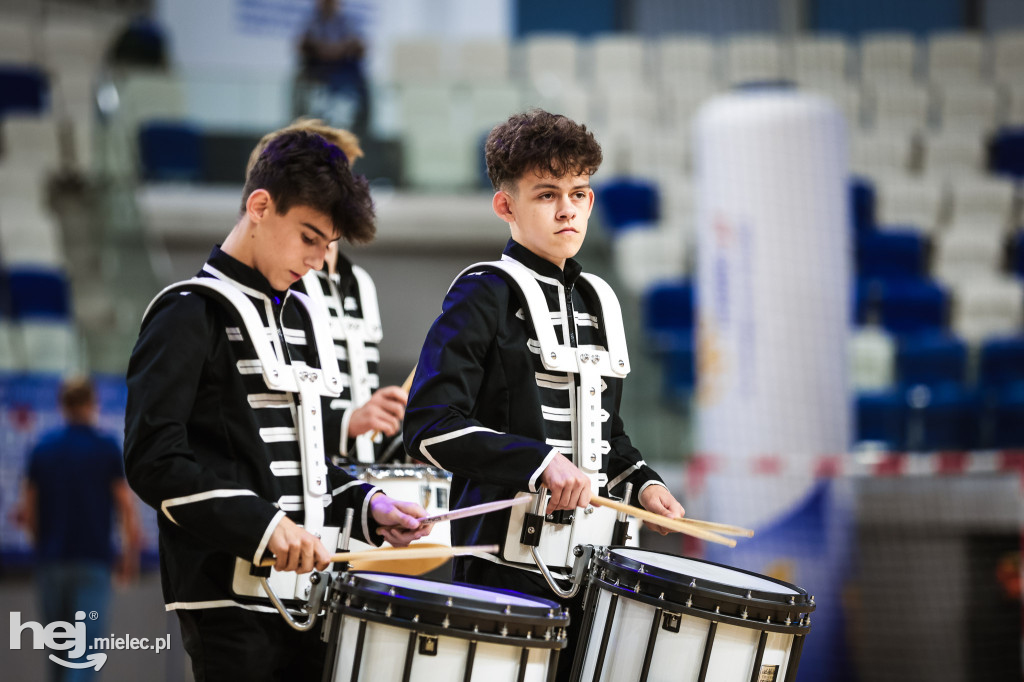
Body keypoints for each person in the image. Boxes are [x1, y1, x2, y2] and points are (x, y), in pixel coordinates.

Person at [124, 128, 430, 681]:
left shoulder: (300, 320)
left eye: (326, 244)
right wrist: (262, 526)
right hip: (227, 599)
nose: (317, 261)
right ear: (259, 206)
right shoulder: (187, 312)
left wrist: (370, 506)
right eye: (308, 237)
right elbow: (153, 460)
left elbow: (307, 466)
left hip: (310, 597)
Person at [403, 108, 687, 675]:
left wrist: (644, 483)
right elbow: (429, 426)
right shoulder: (481, 294)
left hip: (598, 565)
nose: (568, 210)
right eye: (547, 194)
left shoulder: (602, 300)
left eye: (580, 194)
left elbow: (608, 437)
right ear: (506, 205)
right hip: (502, 566)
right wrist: (539, 464)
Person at [247, 119, 407, 465]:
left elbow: (365, 397)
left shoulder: (361, 283)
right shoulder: (281, 280)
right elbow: (268, 417)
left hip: (362, 482)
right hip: (306, 478)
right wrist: (348, 423)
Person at [13, 376, 141, 682]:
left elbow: (28, 510)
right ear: (91, 403)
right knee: (83, 653)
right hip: (93, 564)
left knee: (57, 654)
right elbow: (125, 507)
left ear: (62, 404)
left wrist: (40, 545)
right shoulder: (105, 447)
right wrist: (128, 555)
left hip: (51, 564)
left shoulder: (42, 449)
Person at [297, 0, 370, 136]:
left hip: (344, 76)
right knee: (316, 115)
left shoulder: (348, 22)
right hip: (318, 74)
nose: (327, 4)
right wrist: (324, 50)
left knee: (342, 115)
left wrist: (338, 50)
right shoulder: (312, 22)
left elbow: (360, 46)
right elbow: (301, 45)